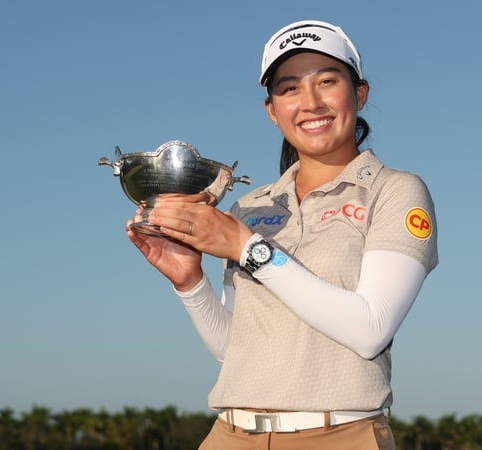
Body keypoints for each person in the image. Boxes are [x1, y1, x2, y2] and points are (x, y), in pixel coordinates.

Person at [126, 19, 439, 450]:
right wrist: (190, 283)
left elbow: (371, 330)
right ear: (272, 110)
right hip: (231, 434)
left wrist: (249, 249)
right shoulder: (251, 208)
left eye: (327, 81)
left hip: (340, 435)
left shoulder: (396, 190)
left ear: (360, 93)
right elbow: (237, 351)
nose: (310, 102)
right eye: (289, 88)